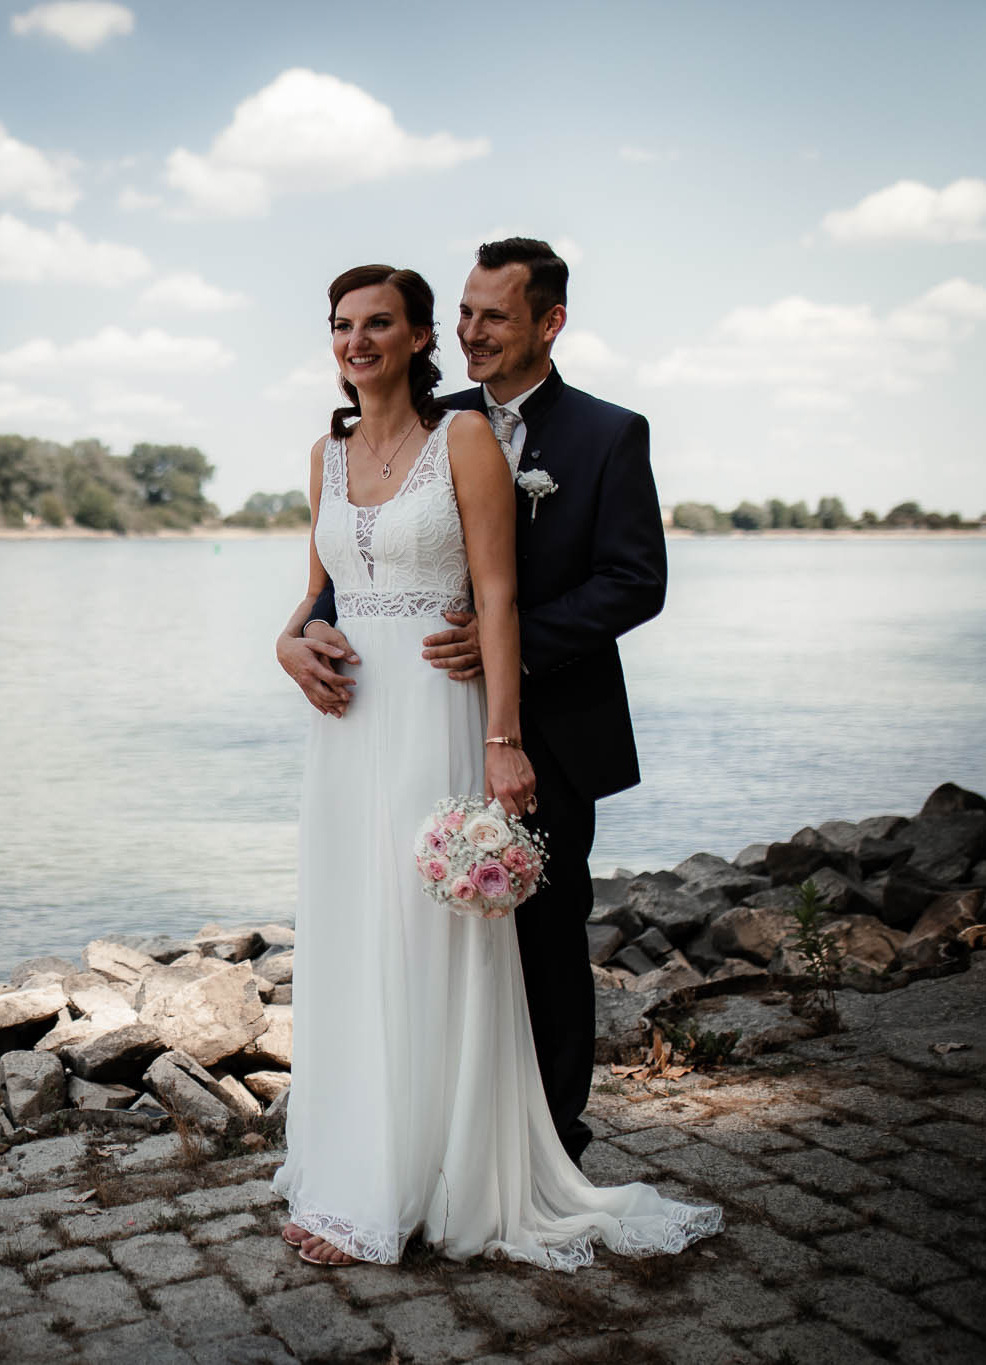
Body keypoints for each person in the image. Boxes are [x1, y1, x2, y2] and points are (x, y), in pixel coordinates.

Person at [267, 260, 718, 1268]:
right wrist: (288, 643)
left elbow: (624, 583)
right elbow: (329, 588)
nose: (472, 331)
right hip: (365, 729)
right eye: (463, 313)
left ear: (546, 323)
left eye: (489, 316)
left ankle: (527, 1154)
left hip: (511, 721)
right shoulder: (381, 437)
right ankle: (379, 1154)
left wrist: (498, 705)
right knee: (372, 931)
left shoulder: (595, 433)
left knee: (539, 952)